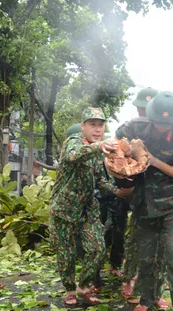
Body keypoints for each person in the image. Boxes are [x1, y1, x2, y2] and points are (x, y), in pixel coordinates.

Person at [115, 91, 173, 311]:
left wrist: (154, 161)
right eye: (158, 122)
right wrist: (122, 156)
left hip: (172, 207)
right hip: (144, 206)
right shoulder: (135, 127)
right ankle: (146, 301)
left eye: (167, 124)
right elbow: (117, 139)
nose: (161, 127)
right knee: (147, 259)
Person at [49, 107, 130, 306]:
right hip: (64, 209)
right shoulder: (73, 142)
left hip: (87, 209)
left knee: (97, 249)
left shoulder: (97, 150)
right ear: (83, 126)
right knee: (66, 253)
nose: (97, 129)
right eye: (92, 125)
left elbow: (99, 180)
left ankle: (84, 285)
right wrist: (99, 146)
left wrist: (116, 190)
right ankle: (69, 289)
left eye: (100, 125)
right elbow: (73, 156)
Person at [121, 87, 171, 310]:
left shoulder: (168, 130)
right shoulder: (129, 128)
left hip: (163, 196)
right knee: (134, 241)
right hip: (138, 194)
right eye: (141, 108)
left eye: (147, 108)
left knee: (160, 248)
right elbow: (116, 154)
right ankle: (128, 279)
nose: (144, 113)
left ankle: (154, 292)